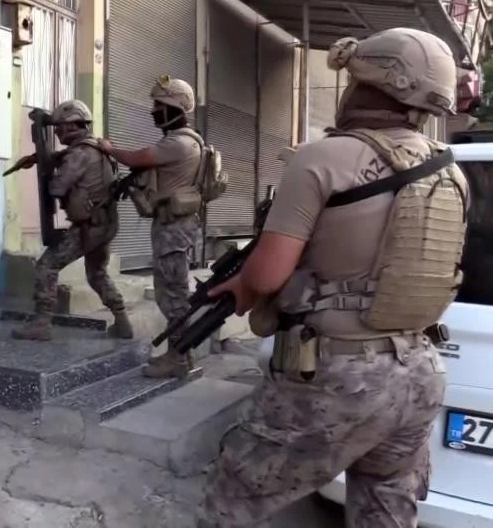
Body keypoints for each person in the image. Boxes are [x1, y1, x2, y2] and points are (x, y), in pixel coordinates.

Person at [197, 27, 469, 527]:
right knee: (385, 510)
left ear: (368, 81)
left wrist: (244, 285)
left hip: (341, 376)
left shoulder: (322, 157)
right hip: (420, 373)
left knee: (231, 500)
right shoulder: (450, 171)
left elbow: (268, 274)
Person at [99, 76, 205, 379]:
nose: (154, 111)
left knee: (172, 295)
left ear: (174, 107)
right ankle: (179, 354)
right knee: (173, 292)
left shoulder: (179, 143)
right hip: (175, 225)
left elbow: (138, 159)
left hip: (173, 228)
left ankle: (178, 358)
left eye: (159, 105)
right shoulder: (188, 140)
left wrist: (110, 149)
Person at [11, 99, 133, 341]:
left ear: (72, 126)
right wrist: (41, 158)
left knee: (46, 266)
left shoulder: (79, 154)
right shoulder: (95, 147)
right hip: (105, 223)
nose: (57, 131)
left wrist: (47, 174)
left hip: (90, 227)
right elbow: (67, 157)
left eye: (60, 126)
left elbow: (58, 187)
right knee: (97, 273)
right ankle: (122, 321)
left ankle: (41, 323)